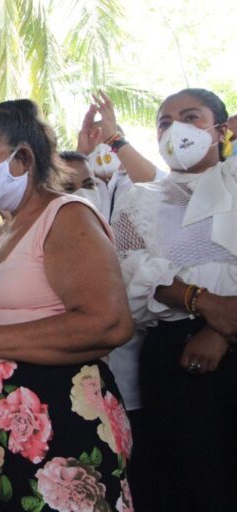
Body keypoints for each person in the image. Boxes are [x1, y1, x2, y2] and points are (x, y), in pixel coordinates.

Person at [0, 100, 135, 511]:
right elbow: (22, 308)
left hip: (59, 419)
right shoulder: (7, 233)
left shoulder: (67, 215)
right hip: (3, 421)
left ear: (23, 157)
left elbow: (109, 324)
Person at [113, 88, 237, 511]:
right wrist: (203, 303)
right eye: (164, 122)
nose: (175, 128)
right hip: (174, 356)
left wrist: (220, 331)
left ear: (221, 130)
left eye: (191, 117)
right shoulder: (140, 199)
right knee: (191, 482)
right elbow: (130, 271)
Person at [77, 91, 167, 222]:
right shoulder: (81, 185)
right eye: (95, 141)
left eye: (107, 140)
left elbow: (161, 186)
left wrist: (114, 139)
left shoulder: (135, 180)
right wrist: (80, 155)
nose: (102, 148)